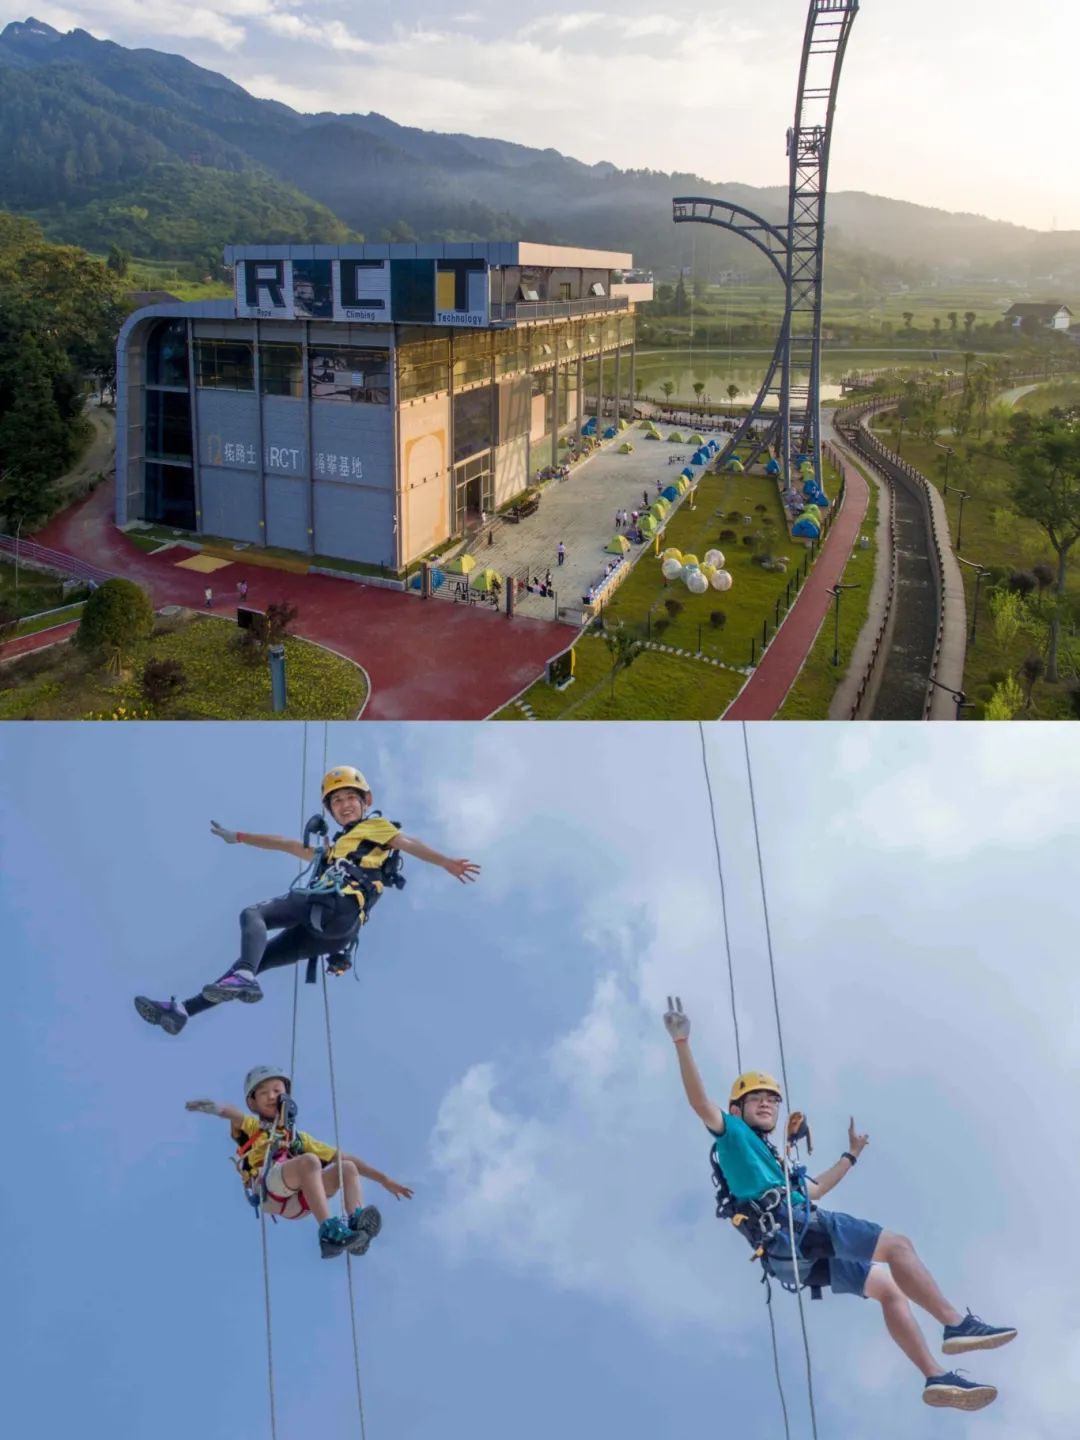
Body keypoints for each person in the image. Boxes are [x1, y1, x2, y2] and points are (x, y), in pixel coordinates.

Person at [662, 997, 1016, 1413]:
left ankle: (935, 1376)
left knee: (888, 1288)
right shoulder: (734, 1135)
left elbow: (814, 1191)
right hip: (794, 1229)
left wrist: (850, 1156)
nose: (767, 1103)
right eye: (756, 1098)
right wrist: (682, 1041)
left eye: (772, 1099)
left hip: (789, 1253)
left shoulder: (772, 1164)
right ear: (737, 1109)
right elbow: (701, 1105)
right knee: (898, 1246)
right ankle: (956, 1324)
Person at [134, 766, 481, 1036]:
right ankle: (183, 1013)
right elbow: (285, 843)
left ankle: (241, 976)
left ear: (366, 800)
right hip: (336, 931)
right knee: (259, 962)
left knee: (253, 914)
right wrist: (239, 837)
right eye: (337, 801)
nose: (344, 805)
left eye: (350, 798)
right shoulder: (332, 851)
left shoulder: (374, 828)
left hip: (333, 904)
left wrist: (445, 862)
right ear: (330, 810)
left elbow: (407, 842)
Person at [186, 1066, 413, 1259]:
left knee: (347, 1168)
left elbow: (344, 1157)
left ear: (287, 1095)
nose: (271, 1095)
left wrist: (384, 1179)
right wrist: (214, 1108)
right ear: (252, 1103)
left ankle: (356, 1228)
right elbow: (235, 1115)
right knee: (310, 1162)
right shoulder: (254, 1127)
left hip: (300, 1201)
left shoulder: (299, 1138)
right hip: (269, 1191)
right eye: (263, 1092)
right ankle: (329, 1232)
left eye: (277, 1090)